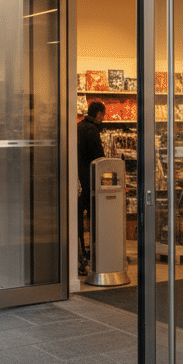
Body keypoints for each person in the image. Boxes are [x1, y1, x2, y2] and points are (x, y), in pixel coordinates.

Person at [76, 100, 106, 275]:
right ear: (99, 114)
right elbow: (99, 157)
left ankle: (80, 252)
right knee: (94, 217)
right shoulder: (92, 130)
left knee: (79, 218)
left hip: (78, 180)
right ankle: (95, 251)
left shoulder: (79, 127)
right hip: (90, 180)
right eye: (103, 115)